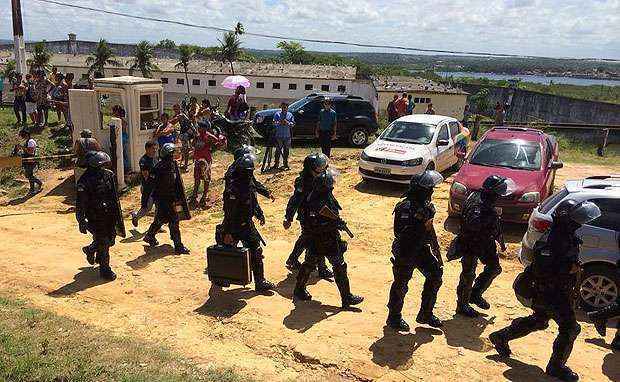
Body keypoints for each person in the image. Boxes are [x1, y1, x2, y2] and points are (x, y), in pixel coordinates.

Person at [489, 200, 602, 382]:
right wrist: (567, 269)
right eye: (577, 220)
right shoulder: (552, 240)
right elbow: (542, 271)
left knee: (539, 320)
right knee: (570, 328)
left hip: (557, 291)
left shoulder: (566, 234)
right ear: (567, 220)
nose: (580, 223)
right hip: (548, 292)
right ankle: (556, 367)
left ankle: (501, 336)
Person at [292, 171, 363, 309]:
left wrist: (337, 222)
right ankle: (346, 298)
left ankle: (299, 289)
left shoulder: (318, 197)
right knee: (338, 265)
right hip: (324, 239)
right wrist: (335, 223)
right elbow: (317, 221)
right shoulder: (315, 201)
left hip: (318, 240)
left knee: (310, 263)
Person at [387, 170, 445, 331]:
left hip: (421, 249)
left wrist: (436, 251)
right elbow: (399, 232)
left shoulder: (427, 206)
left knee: (435, 275)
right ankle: (394, 317)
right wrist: (417, 222)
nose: (431, 191)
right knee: (401, 284)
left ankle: (425, 313)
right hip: (405, 251)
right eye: (428, 189)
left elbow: (430, 230)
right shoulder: (405, 207)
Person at [455, 175, 513, 317]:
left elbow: (494, 224)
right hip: (470, 243)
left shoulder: (488, 201)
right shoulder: (477, 203)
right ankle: (462, 305)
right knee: (468, 274)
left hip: (485, 243)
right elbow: (473, 224)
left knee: (494, 268)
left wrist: (500, 239)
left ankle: (475, 293)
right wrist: (489, 217)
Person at [220, 153, 275, 292]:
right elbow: (229, 213)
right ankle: (222, 278)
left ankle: (260, 281)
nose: (250, 174)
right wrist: (227, 232)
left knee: (256, 251)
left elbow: (252, 201)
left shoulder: (248, 182)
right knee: (226, 253)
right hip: (234, 227)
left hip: (247, 224)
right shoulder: (232, 190)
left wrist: (258, 212)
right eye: (248, 171)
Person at [76, 151, 125, 281]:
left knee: (110, 240)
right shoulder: (84, 181)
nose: (103, 166)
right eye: (100, 164)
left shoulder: (108, 175)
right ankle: (105, 270)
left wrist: (118, 216)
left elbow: (114, 196)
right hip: (95, 217)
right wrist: (81, 220)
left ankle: (91, 249)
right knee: (103, 242)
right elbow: (80, 204)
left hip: (109, 215)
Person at [283, 153, 333, 279]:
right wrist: (289, 218)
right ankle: (322, 268)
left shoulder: (321, 178)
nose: (322, 168)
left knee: (309, 238)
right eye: (319, 166)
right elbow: (295, 201)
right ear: (311, 168)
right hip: (307, 215)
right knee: (315, 239)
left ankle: (293, 259)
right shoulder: (303, 181)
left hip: (319, 214)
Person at [143, 143, 191, 254]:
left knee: (161, 219)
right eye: (172, 153)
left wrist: (179, 197)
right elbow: (150, 183)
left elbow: (177, 182)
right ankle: (178, 246)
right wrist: (147, 199)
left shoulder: (173, 165)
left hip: (171, 199)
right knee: (173, 221)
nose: (174, 155)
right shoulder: (159, 167)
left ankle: (150, 236)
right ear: (168, 154)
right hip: (162, 199)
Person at [190, 120, 224, 208]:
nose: (198, 128)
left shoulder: (209, 136)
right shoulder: (197, 136)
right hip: (198, 160)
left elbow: (219, 144)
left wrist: (210, 148)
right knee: (197, 178)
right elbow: (193, 144)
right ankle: (194, 196)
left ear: (204, 128)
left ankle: (204, 196)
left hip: (205, 161)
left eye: (200, 127)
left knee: (206, 179)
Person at [131, 141, 158, 227]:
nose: (155, 150)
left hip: (156, 187)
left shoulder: (155, 158)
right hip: (148, 188)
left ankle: (157, 225)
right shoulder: (144, 160)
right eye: (153, 148)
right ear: (147, 149)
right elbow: (146, 176)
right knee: (147, 208)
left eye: (155, 148)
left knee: (159, 207)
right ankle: (136, 217)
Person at [14, 129, 43, 195]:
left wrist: (22, 147)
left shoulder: (31, 141)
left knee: (28, 175)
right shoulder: (27, 141)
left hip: (31, 160)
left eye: (22, 135)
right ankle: (32, 189)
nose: (21, 136)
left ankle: (39, 183)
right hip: (27, 160)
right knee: (29, 175)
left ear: (26, 134)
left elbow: (30, 151)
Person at [170, 103, 196, 171]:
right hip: (185, 132)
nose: (175, 110)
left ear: (179, 108)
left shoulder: (181, 115)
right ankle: (185, 164)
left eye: (176, 109)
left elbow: (172, 122)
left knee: (186, 150)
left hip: (187, 132)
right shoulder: (178, 115)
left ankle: (186, 166)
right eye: (174, 109)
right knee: (184, 149)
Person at [273, 102, 295, 170]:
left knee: (286, 151)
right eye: (282, 107)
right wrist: (280, 122)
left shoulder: (290, 115)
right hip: (279, 135)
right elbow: (274, 122)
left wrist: (288, 123)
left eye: (285, 107)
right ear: (281, 107)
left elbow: (293, 124)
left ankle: (285, 164)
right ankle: (276, 164)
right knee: (278, 151)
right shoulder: (277, 114)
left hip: (287, 136)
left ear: (287, 108)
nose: (284, 108)